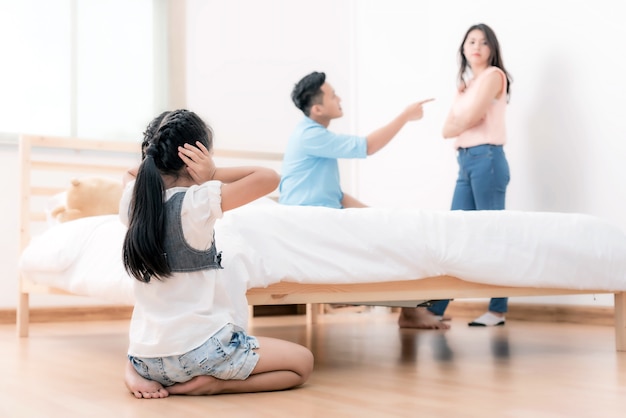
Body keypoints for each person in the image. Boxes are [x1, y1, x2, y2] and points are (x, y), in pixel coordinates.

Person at [121, 109, 314, 399]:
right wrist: (212, 174)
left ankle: (131, 371)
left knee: (159, 351)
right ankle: (216, 384)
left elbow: (129, 174)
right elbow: (269, 177)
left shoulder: (132, 201)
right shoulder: (198, 203)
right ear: (195, 158)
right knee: (303, 363)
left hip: (146, 360)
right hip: (201, 351)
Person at [278, 71, 445, 329]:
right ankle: (410, 312)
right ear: (318, 108)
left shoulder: (311, 135)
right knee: (392, 241)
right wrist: (404, 116)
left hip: (322, 216)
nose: (339, 98)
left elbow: (335, 195)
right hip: (311, 223)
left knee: (395, 230)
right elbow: (367, 146)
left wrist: (378, 215)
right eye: (333, 95)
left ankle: (410, 310)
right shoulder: (310, 136)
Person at [430, 23, 513, 327]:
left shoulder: (493, 77)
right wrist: (460, 122)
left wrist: (459, 122)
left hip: (487, 158)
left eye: (483, 42)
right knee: (454, 235)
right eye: (471, 41)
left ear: (492, 48)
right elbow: (446, 129)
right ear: (463, 49)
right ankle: (435, 310)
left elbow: (469, 118)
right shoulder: (464, 87)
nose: (476, 46)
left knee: (492, 235)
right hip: (465, 162)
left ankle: (497, 310)